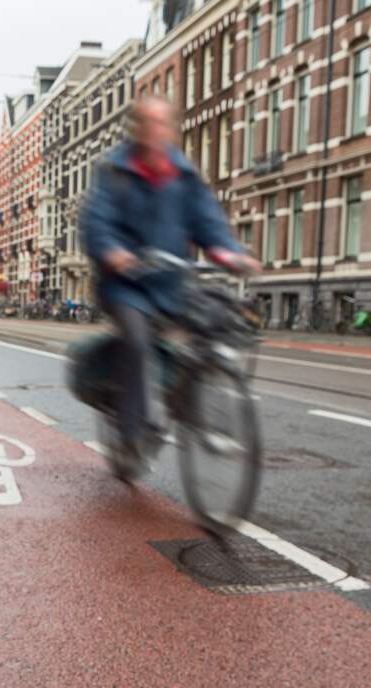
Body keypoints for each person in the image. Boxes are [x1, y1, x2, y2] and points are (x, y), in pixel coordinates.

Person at [80, 96, 260, 475]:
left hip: (172, 282)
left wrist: (230, 255)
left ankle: (197, 414)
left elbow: (208, 222)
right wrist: (113, 253)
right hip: (125, 284)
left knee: (210, 334)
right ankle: (132, 431)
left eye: (161, 123)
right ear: (135, 129)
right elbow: (97, 221)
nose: (153, 131)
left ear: (172, 129)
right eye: (146, 123)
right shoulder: (114, 170)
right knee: (138, 340)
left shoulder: (185, 176)